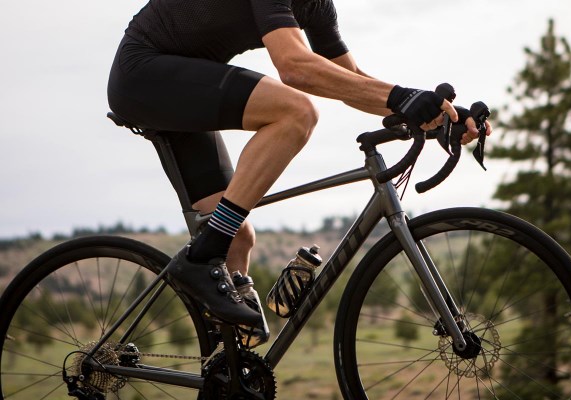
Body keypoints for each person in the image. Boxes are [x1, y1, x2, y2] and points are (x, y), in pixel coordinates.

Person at [107, 0, 492, 346]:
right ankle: (200, 257)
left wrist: (438, 118)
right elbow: (294, 67)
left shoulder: (318, 7)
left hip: (178, 83)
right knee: (296, 111)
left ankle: (229, 372)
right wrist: (401, 97)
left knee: (237, 238)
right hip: (144, 72)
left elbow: (352, 80)